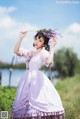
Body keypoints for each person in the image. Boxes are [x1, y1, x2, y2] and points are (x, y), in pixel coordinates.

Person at [10, 29, 65, 119]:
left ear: (43, 44)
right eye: (36, 39)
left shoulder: (43, 53)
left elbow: (49, 62)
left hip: (37, 82)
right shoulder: (30, 53)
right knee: (23, 105)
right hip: (26, 82)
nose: (37, 41)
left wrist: (52, 48)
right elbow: (16, 51)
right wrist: (21, 37)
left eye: (40, 40)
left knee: (37, 105)